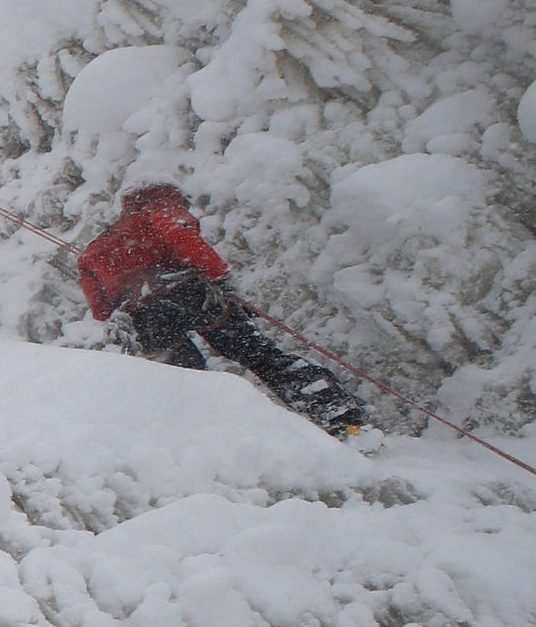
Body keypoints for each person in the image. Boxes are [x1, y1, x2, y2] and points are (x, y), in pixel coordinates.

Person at [76, 183, 368, 437]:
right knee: (259, 355)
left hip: (147, 318)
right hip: (190, 295)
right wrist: (221, 276)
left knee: (188, 379)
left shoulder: (93, 251)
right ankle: (336, 412)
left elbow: (101, 310)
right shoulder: (156, 213)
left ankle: (210, 434)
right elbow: (183, 239)